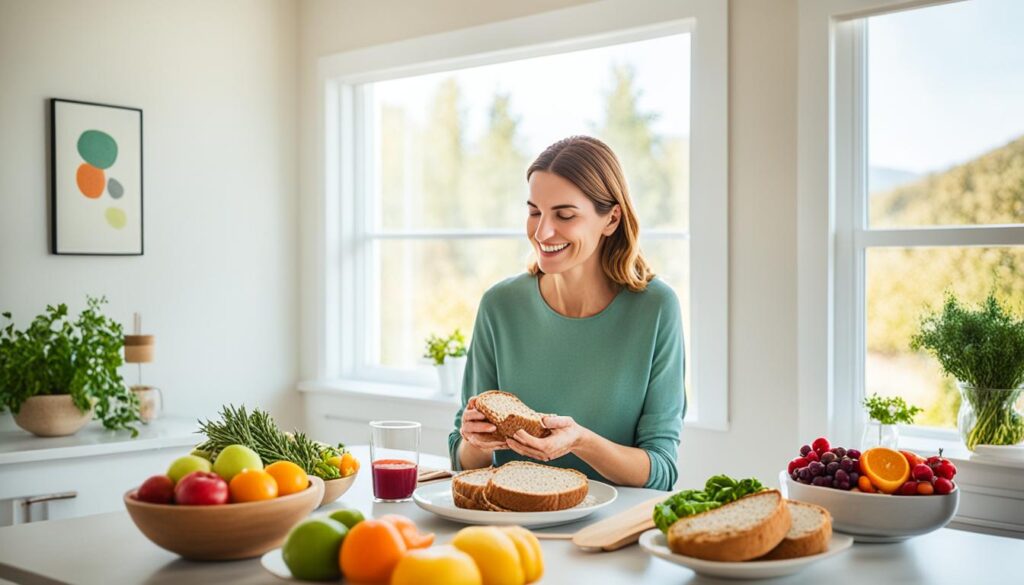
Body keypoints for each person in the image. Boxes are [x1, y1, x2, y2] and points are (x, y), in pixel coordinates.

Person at [447, 135, 686, 490]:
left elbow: (661, 470)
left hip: (609, 531)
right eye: (534, 212)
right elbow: (461, 459)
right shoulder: (500, 306)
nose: (542, 231)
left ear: (611, 219)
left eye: (565, 214)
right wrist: (476, 440)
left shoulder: (655, 308)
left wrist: (581, 441)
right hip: (512, 523)